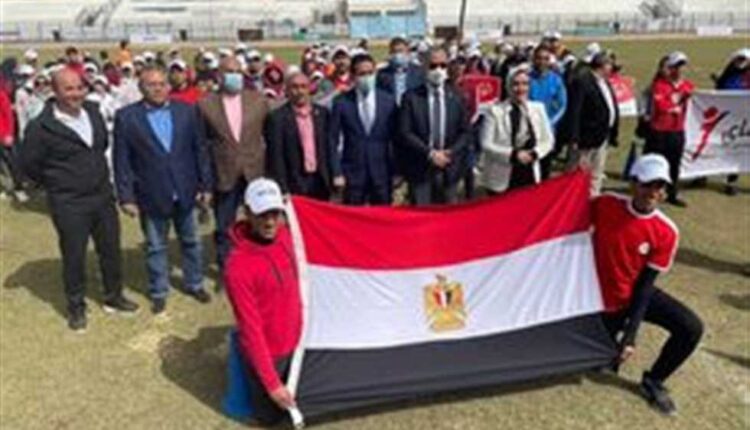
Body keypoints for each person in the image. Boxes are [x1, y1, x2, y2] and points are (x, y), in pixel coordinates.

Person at [17, 68, 138, 331]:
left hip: (102, 196)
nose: (76, 94)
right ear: (55, 91)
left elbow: (101, 145)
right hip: (69, 202)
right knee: (74, 256)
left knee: (110, 250)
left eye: (79, 87)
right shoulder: (41, 127)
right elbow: (28, 164)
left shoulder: (93, 112)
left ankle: (113, 296)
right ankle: (76, 306)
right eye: (68, 89)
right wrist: (57, 183)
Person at [592, 154, 703, 416]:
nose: (653, 192)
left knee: (691, 327)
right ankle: (607, 346)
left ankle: (654, 380)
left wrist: (631, 335)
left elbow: (644, 288)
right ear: (633, 183)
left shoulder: (666, 231)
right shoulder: (606, 203)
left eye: (659, 186)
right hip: (599, 298)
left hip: (634, 294)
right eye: (647, 184)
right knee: (597, 361)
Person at [113, 66, 213, 314]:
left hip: (186, 188)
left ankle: (194, 283)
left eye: (161, 84)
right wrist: (126, 197)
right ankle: (159, 290)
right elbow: (121, 160)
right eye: (151, 85)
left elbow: (200, 150)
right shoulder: (127, 117)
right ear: (141, 88)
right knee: (156, 246)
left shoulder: (187, 111)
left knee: (191, 241)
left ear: (169, 86)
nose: (157, 89)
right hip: (151, 192)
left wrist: (206, 185)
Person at [224, 178, 301, 426]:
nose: (269, 222)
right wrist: (272, 383)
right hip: (272, 354)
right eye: (261, 214)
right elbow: (251, 330)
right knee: (271, 418)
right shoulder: (238, 268)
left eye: (274, 213)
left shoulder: (288, 236)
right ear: (247, 213)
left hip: (300, 345)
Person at [198, 56, 270, 275]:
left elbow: (271, 135)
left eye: (238, 71)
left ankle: (259, 264)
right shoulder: (205, 105)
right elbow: (201, 146)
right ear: (219, 75)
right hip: (224, 173)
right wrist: (205, 182)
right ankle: (227, 268)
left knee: (260, 221)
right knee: (224, 225)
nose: (235, 76)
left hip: (254, 171)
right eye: (229, 71)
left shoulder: (258, 101)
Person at [397, 47, 472, 205]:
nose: (438, 70)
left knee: (448, 216)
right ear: (424, 67)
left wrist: (450, 152)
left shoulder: (458, 96)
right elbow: (405, 132)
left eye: (443, 65)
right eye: (433, 66)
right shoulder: (411, 97)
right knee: (422, 215)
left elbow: (465, 132)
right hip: (420, 168)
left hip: (449, 167)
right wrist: (430, 154)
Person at [329, 54, 398, 205]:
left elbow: (396, 139)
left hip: (381, 173)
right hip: (352, 174)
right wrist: (337, 172)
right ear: (353, 76)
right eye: (362, 74)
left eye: (370, 73)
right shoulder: (341, 102)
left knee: (382, 216)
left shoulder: (388, 101)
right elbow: (332, 139)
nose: (367, 78)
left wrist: (397, 171)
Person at [479, 65, 554, 194]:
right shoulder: (494, 111)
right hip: (501, 178)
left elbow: (548, 140)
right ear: (508, 86)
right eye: (516, 84)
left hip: (529, 173)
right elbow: (486, 144)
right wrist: (513, 155)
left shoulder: (538, 109)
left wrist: (535, 153)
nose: (521, 89)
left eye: (525, 84)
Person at [265, 72, 332, 200]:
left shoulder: (323, 114)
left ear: (309, 89)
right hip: (294, 182)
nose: (299, 91)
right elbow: (276, 156)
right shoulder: (277, 118)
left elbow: (329, 147)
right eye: (295, 87)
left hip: (321, 180)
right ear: (287, 90)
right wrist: (282, 188)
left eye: (303, 87)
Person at [565, 51, 619, 196]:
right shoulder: (582, 82)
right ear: (603, 65)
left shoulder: (605, 83)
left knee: (596, 174)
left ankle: (592, 199)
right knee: (577, 174)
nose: (612, 69)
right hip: (585, 139)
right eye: (610, 65)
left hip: (602, 136)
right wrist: (574, 137)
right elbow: (574, 111)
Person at [645, 51, 694, 207]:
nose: (680, 70)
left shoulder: (688, 86)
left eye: (683, 66)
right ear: (671, 68)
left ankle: (672, 193)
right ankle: (651, 191)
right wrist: (675, 107)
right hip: (659, 131)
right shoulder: (660, 85)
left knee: (674, 164)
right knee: (656, 162)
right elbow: (661, 106)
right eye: (677, 66)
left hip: (677, 131)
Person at [529, 45, 567, 179]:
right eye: (539, 58)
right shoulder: (526, 79)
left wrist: (550, 122)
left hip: (548, 129)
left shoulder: (556, 80)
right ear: (534, 59)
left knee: (545, 167)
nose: (542, 62)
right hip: (529, 129)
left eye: (545, 58)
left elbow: (562, 104)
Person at [376, 36, 425, 106]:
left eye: (400, 51)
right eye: (394, 52)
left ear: (407, 52)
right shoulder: (382, 74)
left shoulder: (419, 72)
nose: (398, 55)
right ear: (390, 53)